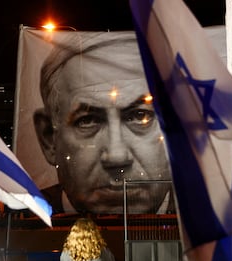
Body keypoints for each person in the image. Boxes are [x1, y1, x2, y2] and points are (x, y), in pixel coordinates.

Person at [34, 31, 175, 215]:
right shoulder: (22, 216)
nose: (117, 157)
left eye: (140, 116)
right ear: (49, 139)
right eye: (88, 120)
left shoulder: (214, 219)